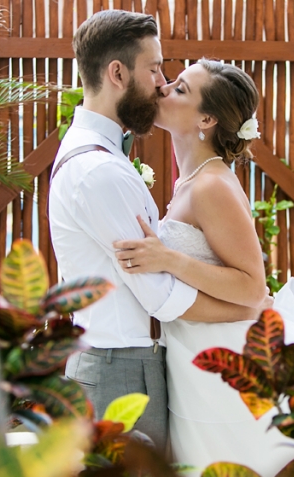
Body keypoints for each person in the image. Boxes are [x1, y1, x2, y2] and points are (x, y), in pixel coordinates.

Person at [112, 59, 294, 477]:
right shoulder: (194, 180)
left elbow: (252, 287)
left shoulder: (211, 186)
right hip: (196, 356)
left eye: (180, 89)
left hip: (226, 363)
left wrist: (169, 259)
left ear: (206, 118)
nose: (164, 89)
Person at [48, 11, 265, 453]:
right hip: (120, 368)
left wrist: (246, 300)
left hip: (146, 361)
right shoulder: (100, 171)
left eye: (175, 81)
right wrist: (247, 309)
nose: (162, 83)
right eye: (154, 69)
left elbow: (239, 282)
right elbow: (160, 297)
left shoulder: (111, 161)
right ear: (117, 73)